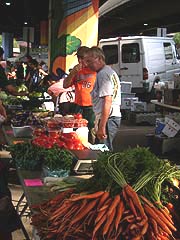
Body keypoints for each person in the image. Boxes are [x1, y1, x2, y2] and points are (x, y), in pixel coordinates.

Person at [84, 46, 121, 151]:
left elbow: (107, 100)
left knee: (103, 151)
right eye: (86, 62)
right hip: (109, 117)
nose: (87, 64)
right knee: (101, 150)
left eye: (90, 61)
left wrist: (102, 126)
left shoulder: (103, 74)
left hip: (108, 118)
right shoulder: (108, 71)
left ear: (99, 58)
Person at [63, 46, 96, 143]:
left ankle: (93, 150)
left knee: (92, 130)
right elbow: (65, 85)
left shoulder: (95, 70)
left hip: (92, 107)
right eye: (79, 58)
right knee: (78, 131)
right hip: (78, 106)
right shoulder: (76, 71)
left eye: (83, 58)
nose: (80, 60)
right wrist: (72, 73)